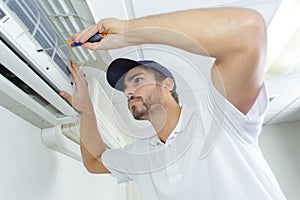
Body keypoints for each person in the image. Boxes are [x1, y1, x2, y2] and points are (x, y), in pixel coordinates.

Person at [60, 7, 286, 200]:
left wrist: (129, 31)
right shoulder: (141, 155)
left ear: (167, 84)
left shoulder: (217, 117)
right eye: (125, 89)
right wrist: (87, 110)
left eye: (137, 80)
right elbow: (94, 160)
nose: (128, 91)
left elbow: (247, 30)